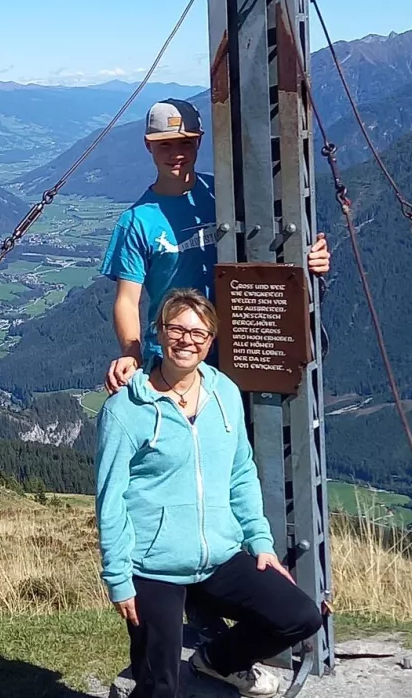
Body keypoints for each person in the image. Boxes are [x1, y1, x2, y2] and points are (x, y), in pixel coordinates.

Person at [96, 289, 324, 698]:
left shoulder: (225, 395)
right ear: (159, 333)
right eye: (177, 329)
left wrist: (260, 543)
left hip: (221, 556)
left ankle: (217, 661)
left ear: (211, 341)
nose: (187, 341)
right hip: (153, 566)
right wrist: (119, 578)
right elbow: (110, 500)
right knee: (159, 686)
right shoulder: (125, 410)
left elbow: (241, 474)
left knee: (299, 616)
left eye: (199, 334)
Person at [102, 99, 329, 394]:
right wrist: (132, 353)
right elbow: (127, 300)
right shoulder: (136, 222)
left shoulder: (227, 197)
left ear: (199, 143)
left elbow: (276, 244)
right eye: (165, 145)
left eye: (185, 143)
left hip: (242, 349)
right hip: (174, 355)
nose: (176, 154)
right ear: (148, 146)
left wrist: (311, 258)